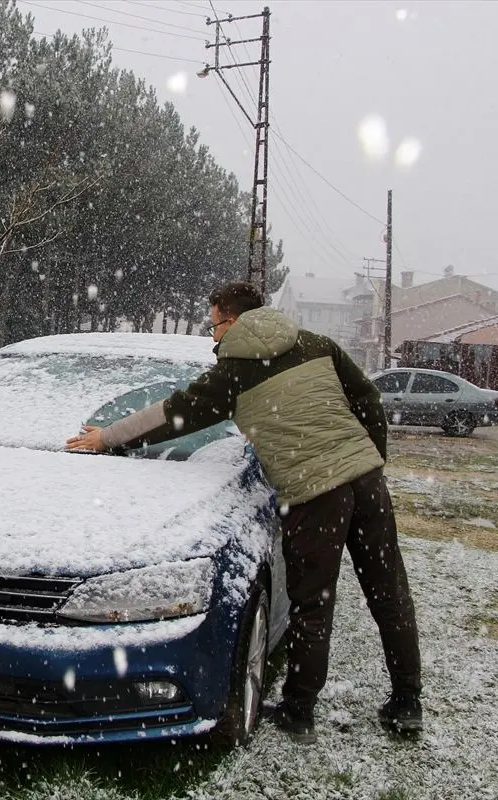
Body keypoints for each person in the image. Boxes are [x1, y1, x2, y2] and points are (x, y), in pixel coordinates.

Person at [65, 281, 422, 744]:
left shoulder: (234, 371)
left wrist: (106, 438)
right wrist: (366, 459)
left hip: (315, 495)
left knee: (313, 604)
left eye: (214, 324)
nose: (213, 336)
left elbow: (173, 414)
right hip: (367, 483)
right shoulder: (318, 345)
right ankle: (408, 704)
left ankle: (298, 711)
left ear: (232, 319)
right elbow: (368, 400)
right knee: (390, 593)